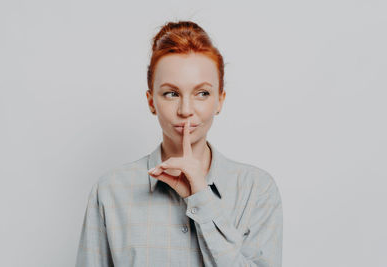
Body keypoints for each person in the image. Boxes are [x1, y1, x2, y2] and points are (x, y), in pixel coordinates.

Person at [76, 20, 283, 267]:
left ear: (220, 100)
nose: (186, 110)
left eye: (202, 93)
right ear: (151, 101)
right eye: (171, 93)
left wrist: (201, 196)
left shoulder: (257, 190)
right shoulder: (110, 191)